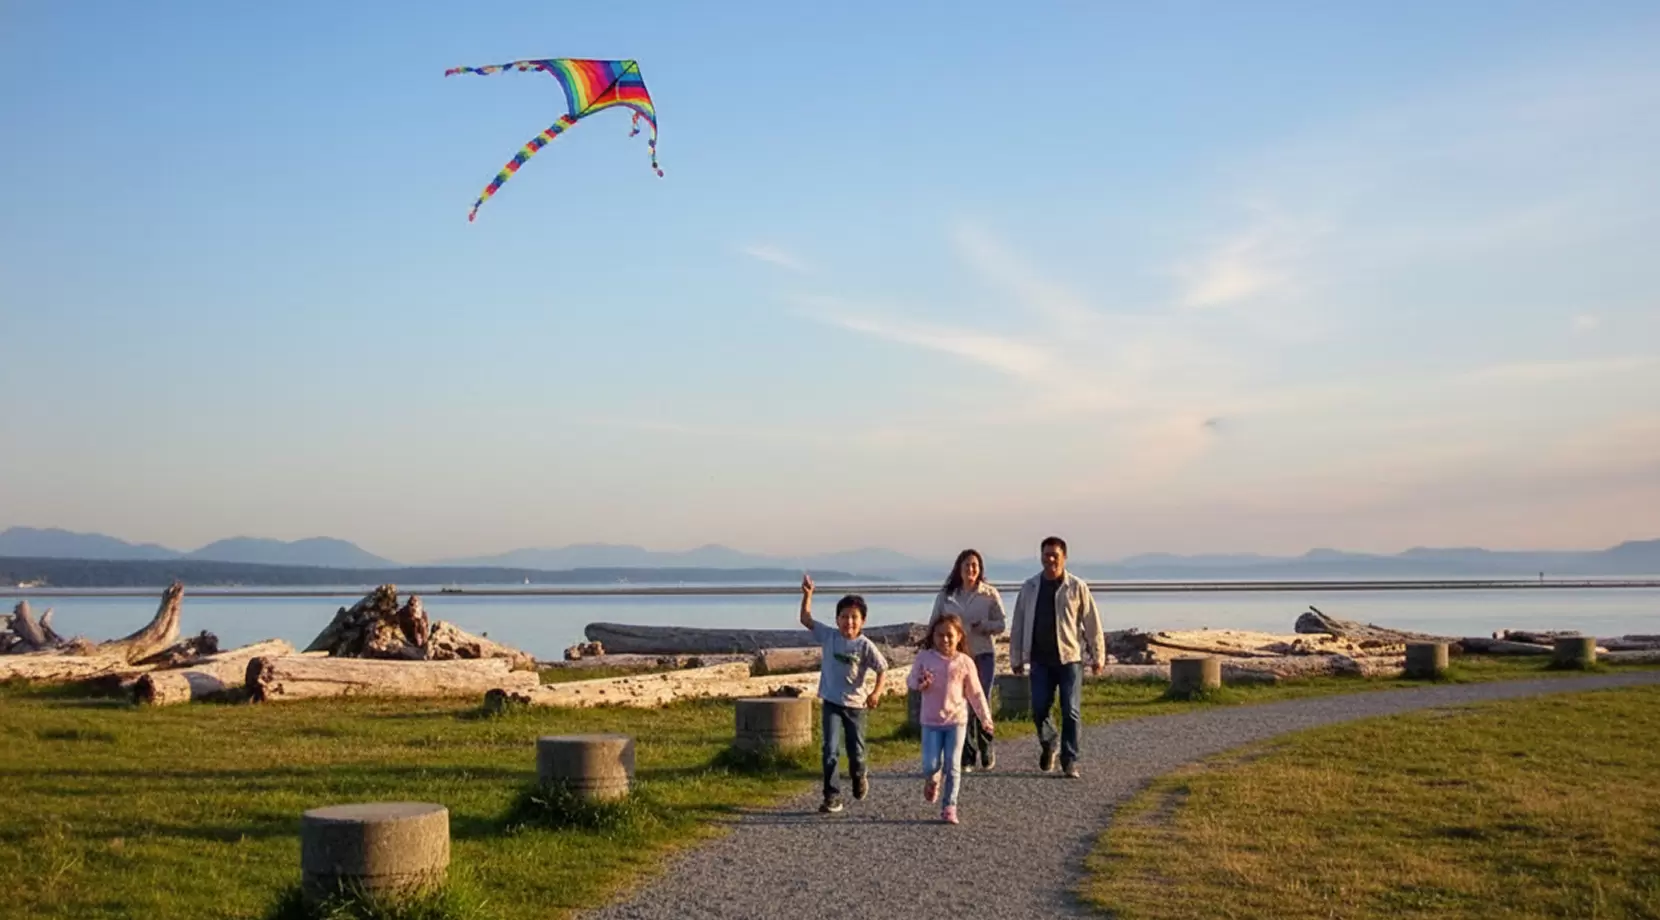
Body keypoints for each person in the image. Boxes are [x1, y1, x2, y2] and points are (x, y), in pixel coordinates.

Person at [1009, 536, 1104, 778]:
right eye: (1046, 554)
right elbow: (1018, 623)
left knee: (1070, 709)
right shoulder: (1030, 587)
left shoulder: (1077, 586)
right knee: (1039, 708)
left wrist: (1097, 655)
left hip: (1069, 658)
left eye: (1055, 555)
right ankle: (1049, 742)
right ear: (1041, 556)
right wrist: (1016, 657)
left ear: (1064, 557)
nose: (1050, 559)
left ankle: (1070, 759)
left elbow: (1092, 623)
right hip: (1040, 660)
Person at [799, 573, 888, 814]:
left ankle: (859, 775)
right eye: (844, 617)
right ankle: (832, 796)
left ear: (863, 621)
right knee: (830, 749)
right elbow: (806, 619)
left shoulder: (865, 646)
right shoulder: (829, 636)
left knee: (856, 752)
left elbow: (882, 669)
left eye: (854, 618)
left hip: (856, 706)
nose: (849, 622)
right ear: (837, 620)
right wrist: (808, 595)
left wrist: (876, 693)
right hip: (831, 702)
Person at [906, 612, 995, 824]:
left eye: (949, 635)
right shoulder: (924, 658)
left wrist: (985, 718)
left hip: (957, 720)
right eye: (939, 635)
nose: (944, 640)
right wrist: (920, 683)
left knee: (953, 765)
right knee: (930, 764)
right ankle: (932, 779)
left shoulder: (964, 662)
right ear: (933, 636)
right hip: (930, 721)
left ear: (959, 637)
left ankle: (949, 806)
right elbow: (910, 681)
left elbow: (975, 693)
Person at [926, 548, 1005, 772]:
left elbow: (1001, 624)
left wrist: (985, 626)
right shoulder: (947, 595)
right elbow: (934, 623)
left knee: (981, 699)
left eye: (975, 566)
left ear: (980, 570)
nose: (970, 569)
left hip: (983, 654)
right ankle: (967, 755)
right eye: (966, 565)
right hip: (956, 657)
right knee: (963, 704)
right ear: (958, 569)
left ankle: (986, 745)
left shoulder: (989, 594)